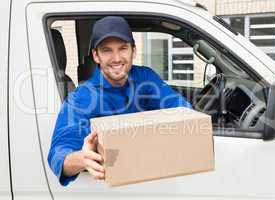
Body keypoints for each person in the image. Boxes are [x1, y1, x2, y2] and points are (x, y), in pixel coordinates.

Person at [47, 16, 192, 186]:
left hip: (157, 183)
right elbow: (58, 155)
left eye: (123, 48)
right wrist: (82, 159)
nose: (116, 58)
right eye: (107, 50)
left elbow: (182, 110)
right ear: (96, 55)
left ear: (134, 51)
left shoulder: (146, 77)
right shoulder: (81, 98)